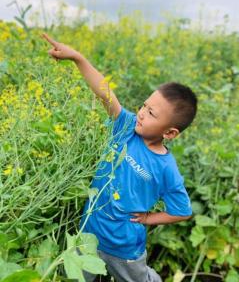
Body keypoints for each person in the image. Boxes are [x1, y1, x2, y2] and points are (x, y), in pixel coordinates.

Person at [42, 33, 197, 282]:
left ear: (169, 132)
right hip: (88, 234)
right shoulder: (126, 127)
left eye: (152, 113)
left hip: (125, 249)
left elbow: (182, 211)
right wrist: (77, 58)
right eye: (144, 106)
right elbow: (105, 93)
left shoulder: (166, 168)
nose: (142, 114)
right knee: (76, 277)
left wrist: (148, 218)